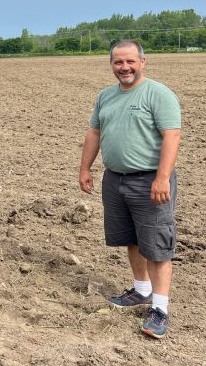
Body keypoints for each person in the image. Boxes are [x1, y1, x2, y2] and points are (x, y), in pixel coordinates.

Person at [79, 39, 181, 339]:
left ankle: (160, 309)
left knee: (157, 245)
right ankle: (141, 290)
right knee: (132, 239)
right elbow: (94, 131)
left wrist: (162, 178)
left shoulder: (158, 94)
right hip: (116, 179)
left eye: (130, 61)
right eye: (118, 62)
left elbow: (171, 136)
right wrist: (85, 168)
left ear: (143, 62)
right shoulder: (106, 96)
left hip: (150, 180)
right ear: (111, 64)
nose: (124, 67)